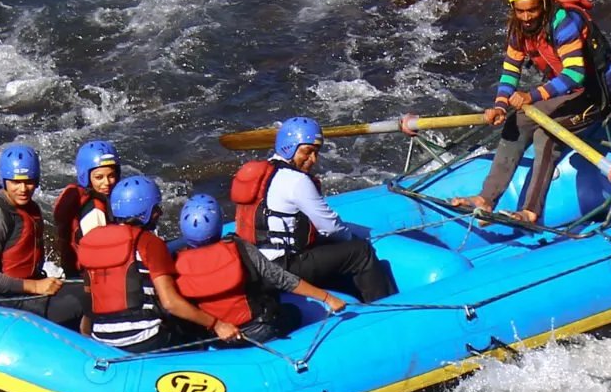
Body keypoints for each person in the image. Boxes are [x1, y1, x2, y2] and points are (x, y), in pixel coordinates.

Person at [450, 0, 611, 226]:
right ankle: (486, 198)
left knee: (546, 133)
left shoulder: (564, 22)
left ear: (543, 4)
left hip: (593, 93)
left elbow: (575, 74)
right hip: (566, 91)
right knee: (515, 122)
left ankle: (531, 212)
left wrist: (532, 95)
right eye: (520, 11)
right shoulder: (518, 28)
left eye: (532, 10)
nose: (526, 18)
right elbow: (510, 70)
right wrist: (500, 105)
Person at [231, 116, 396, 303]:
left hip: (257, 267)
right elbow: (331, 228)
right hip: (283, 269)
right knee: (360, 252)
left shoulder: (266, 172)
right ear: (289, 147)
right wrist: (352, 239)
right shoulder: (297, 181)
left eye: (316, 153)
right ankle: (385, 309)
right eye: (307, 152)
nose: (313, 159)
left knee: (328, 250)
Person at [75, 174, 239, 351]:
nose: (159, 213)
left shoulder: (92, 243)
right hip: (147, 339)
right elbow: (170, 303)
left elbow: (89, 300)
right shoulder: (149, 242)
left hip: (103, 339)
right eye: (155, 209)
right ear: (143, 213)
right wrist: (217, 324)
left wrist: (87, 336)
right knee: (195, 331)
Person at [172, 192, 345, 344]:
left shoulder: (175, 261)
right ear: (219, 225)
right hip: (257, 332)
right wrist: (328, 298)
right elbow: (281, 279)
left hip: (216, 337)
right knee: (294, 312)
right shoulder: (238, 247)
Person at [0, 142, 86, 327]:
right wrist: (35, 286)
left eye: (29, 181)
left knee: (90, 289)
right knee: (84, 302)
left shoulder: (28, 207)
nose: (23, 189)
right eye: (16, 182)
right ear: (4, 181)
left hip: (27, 291)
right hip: (5, 300)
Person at [54, 139, 121, 268]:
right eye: (99, 177)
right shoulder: (94, 211)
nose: (106, 182)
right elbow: (99, 255)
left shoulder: (90, 199)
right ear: (86, 177)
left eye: (111, 175)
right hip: (89, 275)